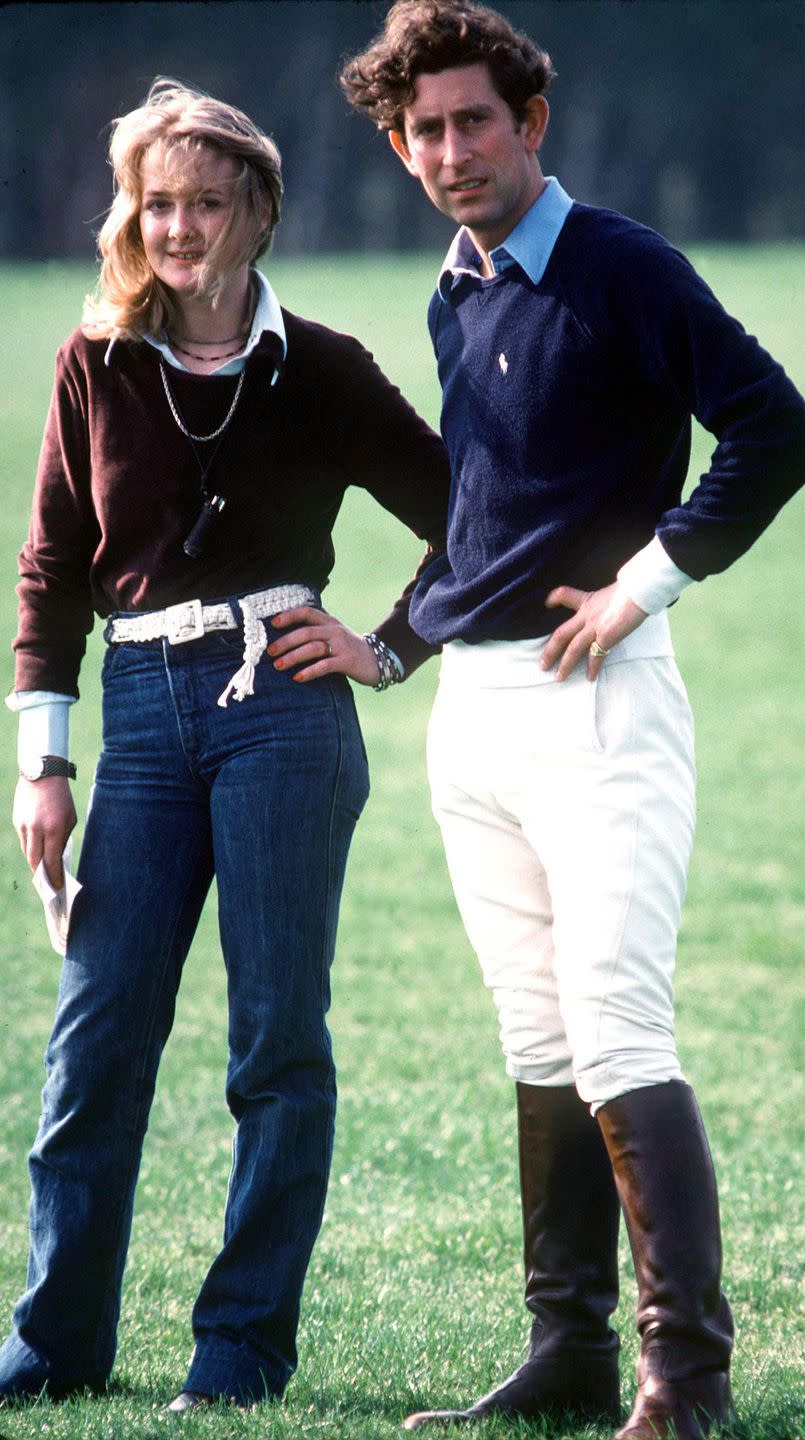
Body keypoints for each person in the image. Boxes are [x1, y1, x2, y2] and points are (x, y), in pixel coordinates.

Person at [341, 6, 805, 1438]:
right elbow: (487, 521)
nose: (450, 151)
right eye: (423, 130)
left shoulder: (616, 263)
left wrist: (647, 583)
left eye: (474, 120)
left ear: (531, 120)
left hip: (598, 701)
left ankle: (691, 1386)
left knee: (618, 1031)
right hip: (476, 723)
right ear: (398, 144)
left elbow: (776, 430)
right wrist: (387, 648)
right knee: (537, 1039)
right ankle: (573, 1357)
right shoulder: (453, 291)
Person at [1, 78, 448, 1411]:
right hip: (136, 719)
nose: (181, 227)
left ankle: (240, 1350)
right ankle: (55, 1343)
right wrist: (43, 763)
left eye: (207, 201)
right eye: (158, 203)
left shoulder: (324, 369)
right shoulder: (96, 359)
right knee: (96, 1044)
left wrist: (385, 643)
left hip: (282, 715)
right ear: (129, 218)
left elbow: (469, 517)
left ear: (257, 208)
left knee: (276, 1045)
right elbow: (50, 571)